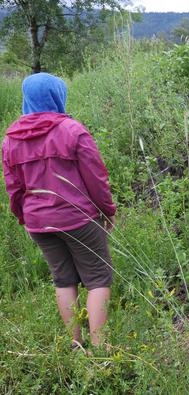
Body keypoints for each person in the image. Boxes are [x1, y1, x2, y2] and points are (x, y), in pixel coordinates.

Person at [2, 73, 117, 350]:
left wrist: (25, 218)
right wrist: (107, 211)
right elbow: (96, 177)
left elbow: (14, 187)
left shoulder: (10, 139)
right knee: (98, 279)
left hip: (39, 223)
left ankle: (75, 345)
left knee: (63, 280)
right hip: (78, 219)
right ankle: (100, 348)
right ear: (57, 96)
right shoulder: (73, 131)